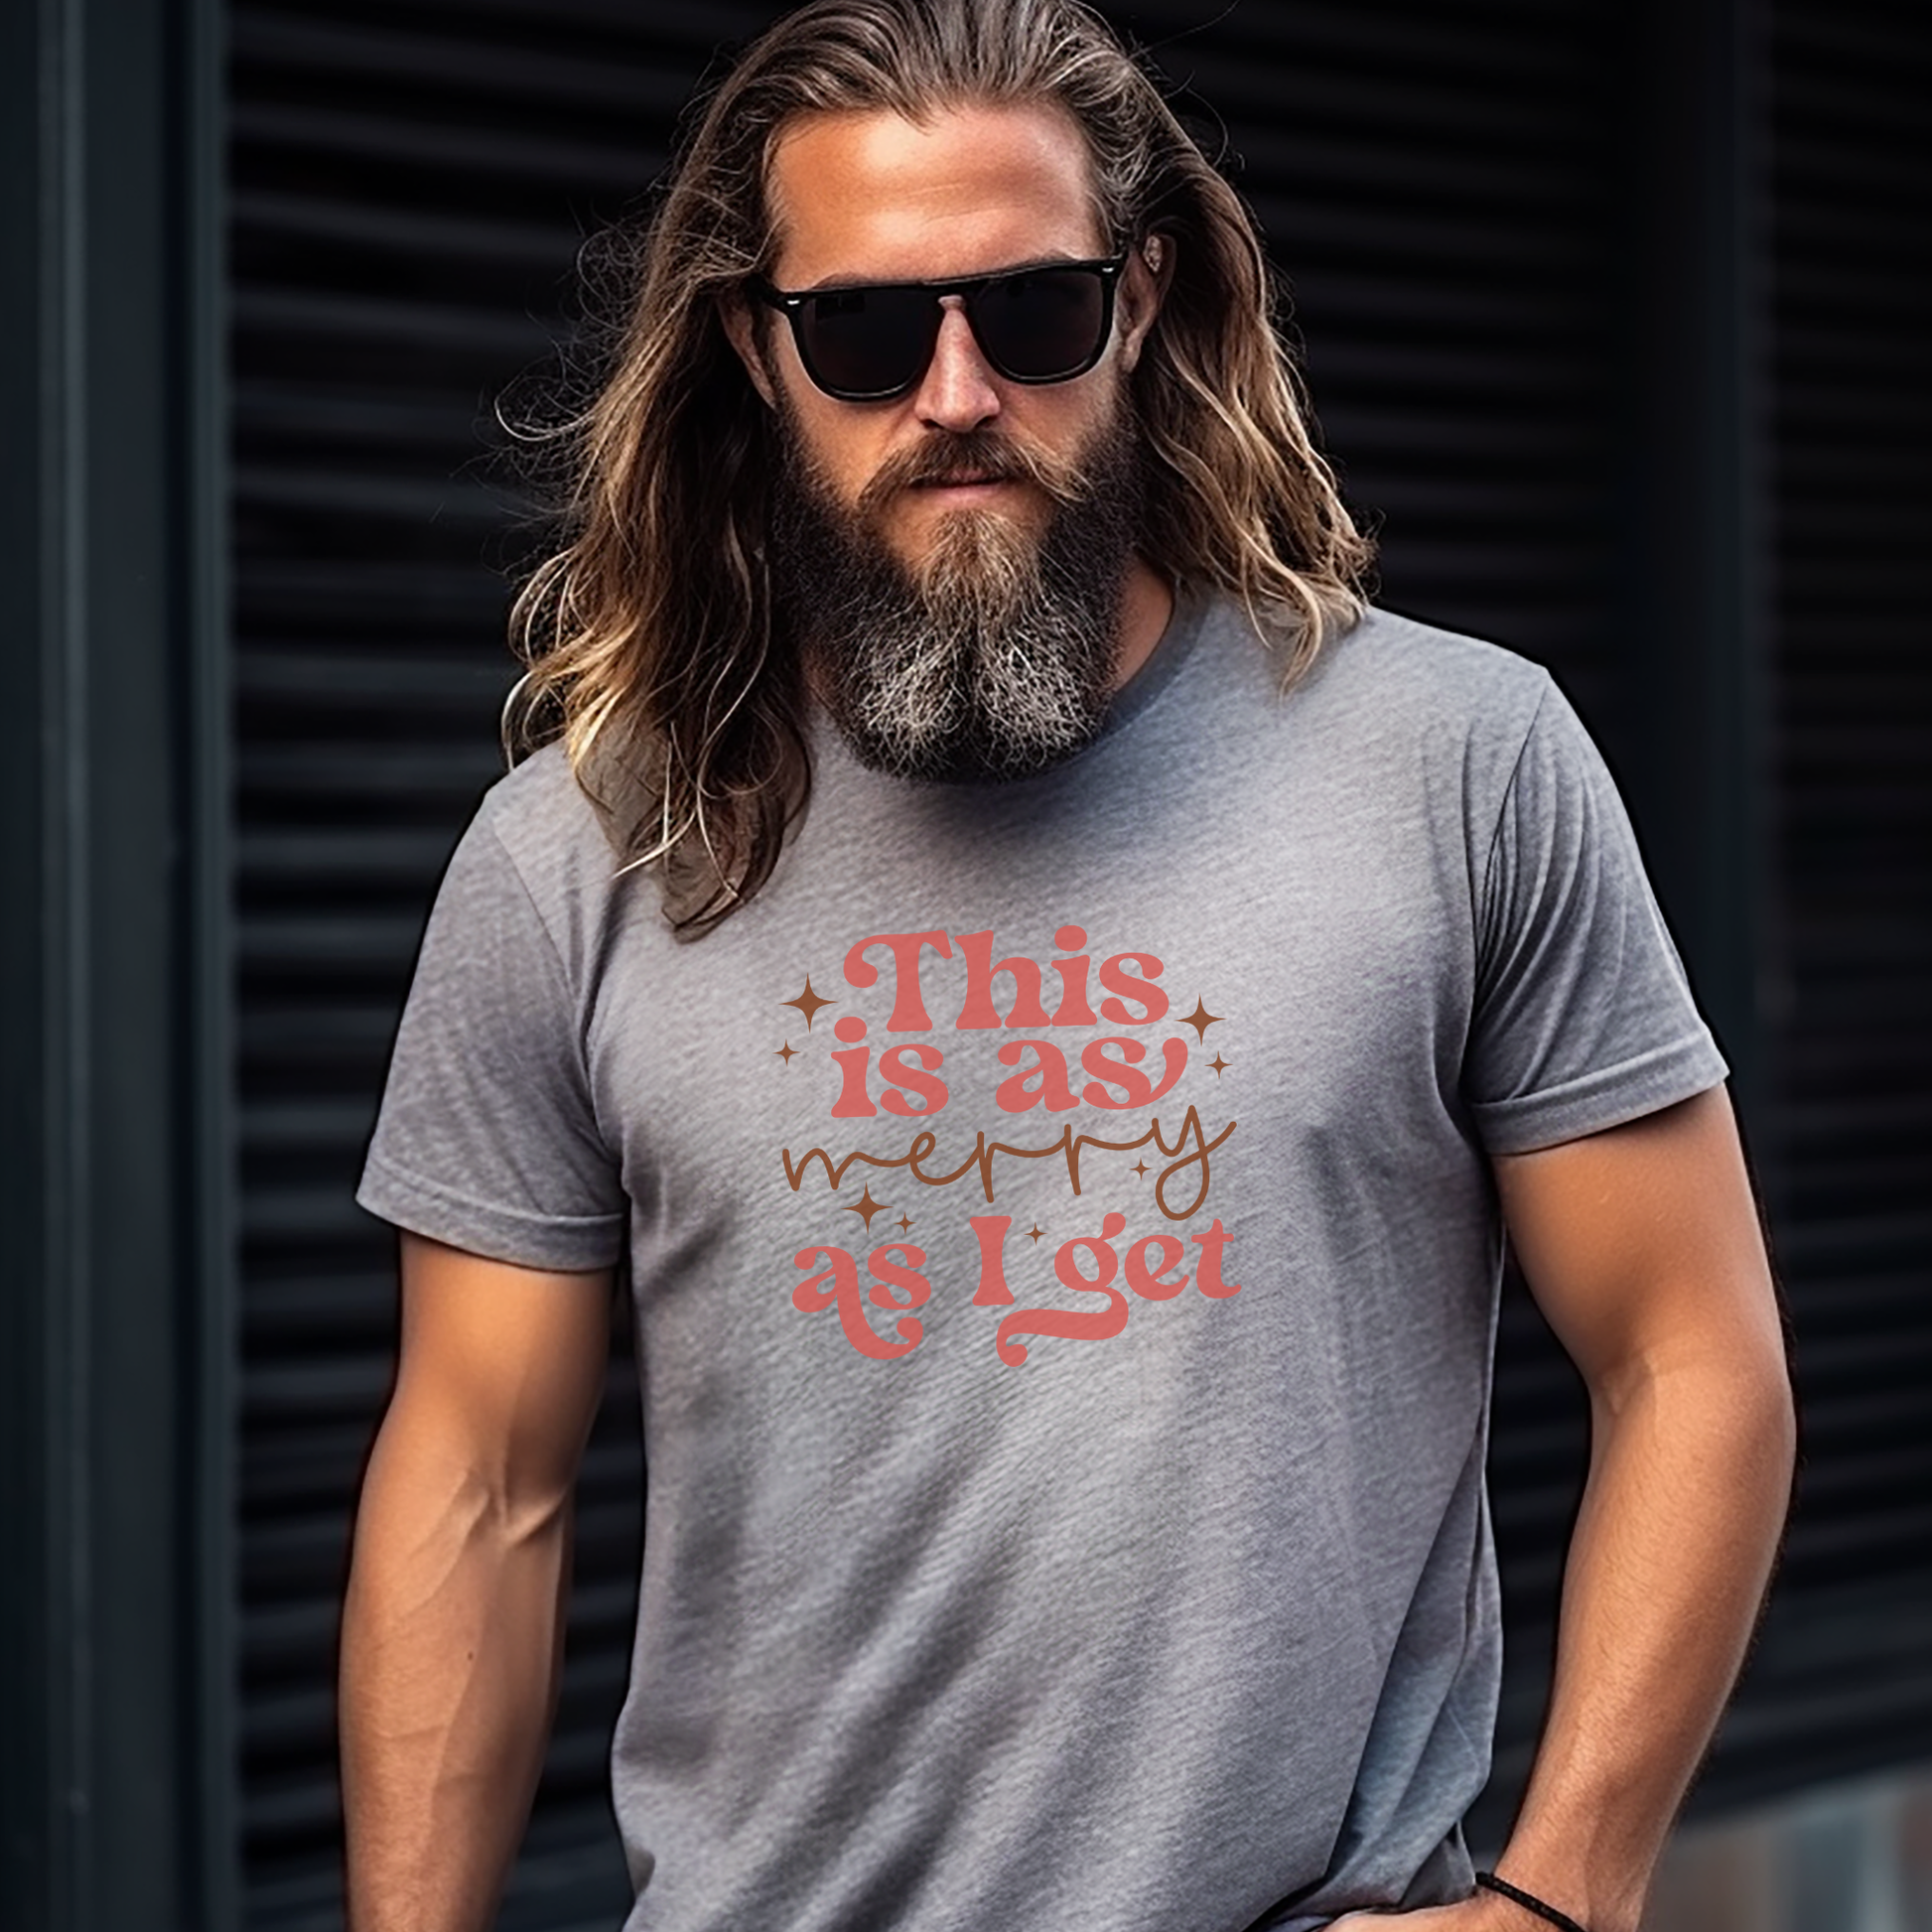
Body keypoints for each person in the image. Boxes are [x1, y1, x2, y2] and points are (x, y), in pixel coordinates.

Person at [341, 1, 1795, 1928]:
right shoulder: (574, 858)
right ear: (755, 353)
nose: (954, 390)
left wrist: (1564, 1891)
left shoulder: (1457, 763)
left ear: (1142, 303)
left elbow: (1692, 1351)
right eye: (864, 328)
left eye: (1028, 311)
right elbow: (476, 1484)